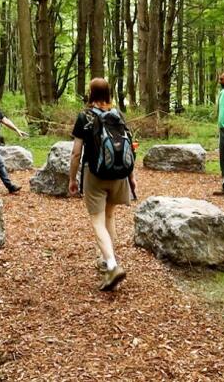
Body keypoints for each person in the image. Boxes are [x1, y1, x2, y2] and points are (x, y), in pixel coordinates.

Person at [68, 78, 137, 292]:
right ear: (108, 93)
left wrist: (72, 178)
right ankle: (106, 258)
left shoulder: (84, 117)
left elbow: (76, 152)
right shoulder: (118, 115)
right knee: (109, 216)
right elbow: (129, 147)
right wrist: (131, 176)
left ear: (90, 92)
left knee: (97, 221)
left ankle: (113, 265)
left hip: (95, 174)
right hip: (119, 175)